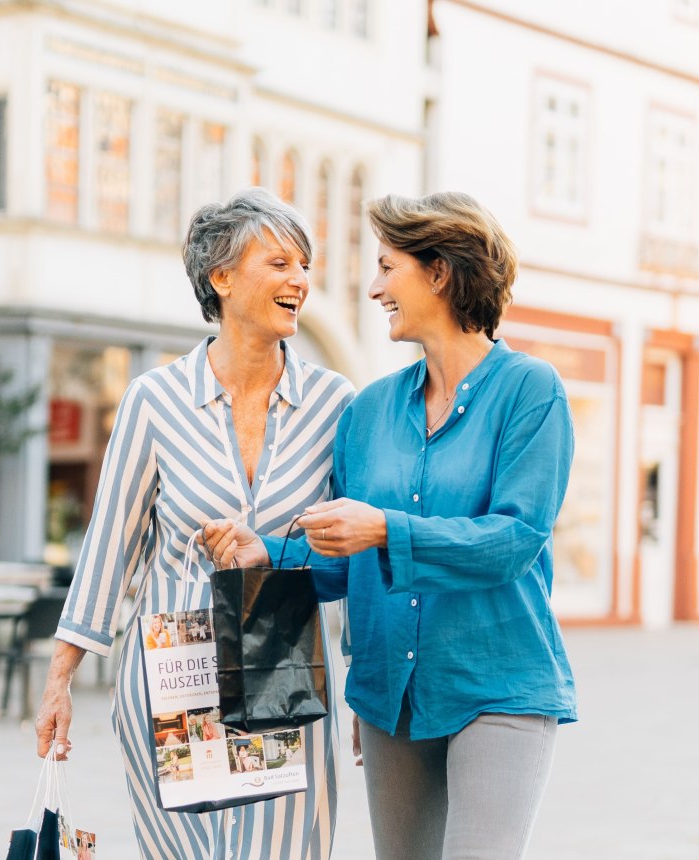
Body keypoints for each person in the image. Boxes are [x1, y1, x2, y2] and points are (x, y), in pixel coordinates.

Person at [205, 192, 577, 860]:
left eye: (386, 267)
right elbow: (341, 564)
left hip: (496, 681)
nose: (375, 289)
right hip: (390, 695)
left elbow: (515, 541)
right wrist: (266, 553)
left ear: (439, 272)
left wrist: (384, 529)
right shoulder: (368, 411)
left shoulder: (530, 391)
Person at [34, 188, 355, 859]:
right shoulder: (155, 400)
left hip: (284, 667)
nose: (300, 280)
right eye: (280, 263)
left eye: (305, 265)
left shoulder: (334, 405)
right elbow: (107, 551)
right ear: (222, 278)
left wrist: (367, 683)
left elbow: (350, 552)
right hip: (171, 678)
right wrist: (59, 680)